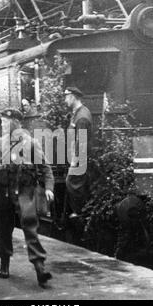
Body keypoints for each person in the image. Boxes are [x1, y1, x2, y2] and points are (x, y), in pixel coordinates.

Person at [0, 108, 55, 288]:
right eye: (2, 122)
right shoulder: (0, 143)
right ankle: (4, 263)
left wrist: (49, 188)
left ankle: (40, 267)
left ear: (17, 122)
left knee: (29, 224)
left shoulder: (31, 143)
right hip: (2, 191)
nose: (4, 125)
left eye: (7, 122)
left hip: (25, 190)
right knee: (2, 226)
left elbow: (45, 168)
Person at [64, 87, 92, 220]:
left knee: (72, 183)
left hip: (80, 159)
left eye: (67, 96)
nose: (65, 100)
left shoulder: (82, 117)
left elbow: (81, 142)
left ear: (73, 96)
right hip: (77, 158)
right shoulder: (77, 113)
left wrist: (74, 163)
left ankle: (81, 214)